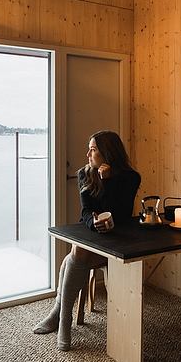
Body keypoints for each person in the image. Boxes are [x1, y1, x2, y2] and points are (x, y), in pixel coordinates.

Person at [33, 130, 141, 350]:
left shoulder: (131, 178)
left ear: (108, 153)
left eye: (93, 149)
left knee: (69, 260)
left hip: (120, 238)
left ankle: (58, 314)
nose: (88, 153)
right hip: (94, 234)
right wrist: (94, 223)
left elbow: (122, 213)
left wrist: (108, 182)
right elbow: (85, 213)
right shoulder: (84, 174)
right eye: (90, 148)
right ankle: (64, 322)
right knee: (77, 252)